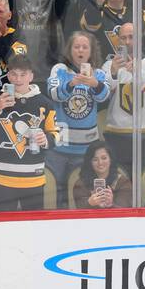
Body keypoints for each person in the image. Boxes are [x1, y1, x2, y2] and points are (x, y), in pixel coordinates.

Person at [47, 30, 111, 207]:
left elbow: (104, 96)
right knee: (57, 193)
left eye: (85, 47)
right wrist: (72, 83)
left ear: (91, 51)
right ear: (70, 49)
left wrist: (94, 84)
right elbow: (54, 94)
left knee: (79, 193)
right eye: (76, 46)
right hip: (59, 146)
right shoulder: (59, 70)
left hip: (86, 149)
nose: (80, 50)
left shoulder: (97, 73)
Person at [0, 53, 58, 212]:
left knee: (33, 228)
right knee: (2, 229)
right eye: (13, 74)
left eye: (23, 74)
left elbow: (57, 135)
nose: (18, 79)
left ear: (31, 76)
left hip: (33, 178)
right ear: (8, 75)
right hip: (1, 178)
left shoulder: (45, 104)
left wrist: (45, 139)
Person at [99, 22, 145, 171]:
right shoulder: (109, 65)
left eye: (131, 37)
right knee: (121, 182)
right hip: (117, 136)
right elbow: (103, 94)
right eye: (123, 38)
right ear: (118, 40)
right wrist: (113, 72)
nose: (127, 42)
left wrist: (137, 71)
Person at [71, 139, 131, 209]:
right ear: (90, 162)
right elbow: (78, 211)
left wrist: (111, 204)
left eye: (104, 158)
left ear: (111, 159)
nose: (100, 163)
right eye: (95, 159)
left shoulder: (123, 182)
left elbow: (125, 212)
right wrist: (89, 203)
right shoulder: (81, 183)